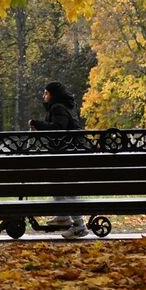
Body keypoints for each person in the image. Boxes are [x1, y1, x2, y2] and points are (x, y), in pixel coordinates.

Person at [28, 81, 89, 240]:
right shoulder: (67, 106)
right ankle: (63, 216)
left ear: (53, 95)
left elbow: (58, 130)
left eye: (46, 93)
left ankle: (79, 225)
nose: (44, 96)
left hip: (69, 155)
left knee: (62, 184)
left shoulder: (57, 108)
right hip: (74, 154)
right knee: (56, 180)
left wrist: (37, 124)